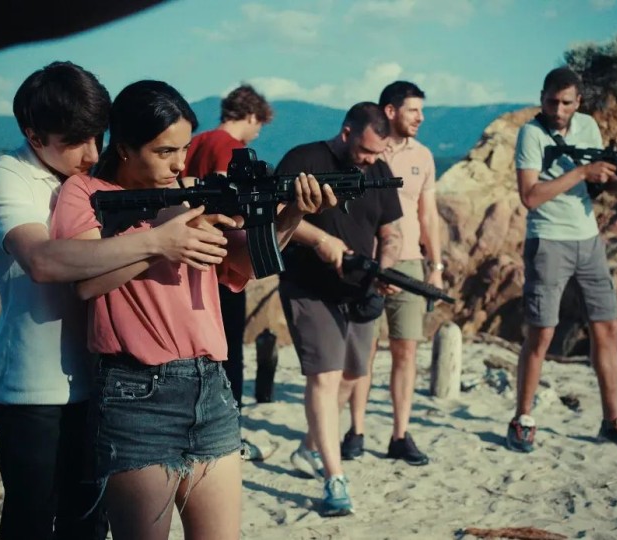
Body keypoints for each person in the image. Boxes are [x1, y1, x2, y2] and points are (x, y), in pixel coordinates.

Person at [49, 79, 335, 539]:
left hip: (211, 388)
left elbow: (248, 264)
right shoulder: (84, 192)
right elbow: (85, 282)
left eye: (183, 149)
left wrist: (292, 214)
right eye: (164, 151)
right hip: (135, 396)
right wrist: (163, 243)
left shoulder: (191, 192)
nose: (180, 163)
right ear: (124, 148)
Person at [0, 62, 231, 540]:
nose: (92, 153)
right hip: (35, 386)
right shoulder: (8, 176)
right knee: (31, 522)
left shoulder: (93, 179)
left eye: (98, 136)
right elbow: (44, 262)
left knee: (89, 525)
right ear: (33, 135)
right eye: (75, 141)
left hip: (108, 382)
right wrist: (158, 241)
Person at [508, 66, 617, 453]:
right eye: (551, 101)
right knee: (541, 333)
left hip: (588, 240)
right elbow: (530, 196)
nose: (558, 110)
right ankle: (522, 418)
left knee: (607, 328)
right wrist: (583, 171)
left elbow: (599, 186)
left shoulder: (587, 126)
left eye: (566, 103)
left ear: (579, 102)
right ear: (541, 98)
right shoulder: (531, 134)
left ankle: (613, 421)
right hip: (547, 240)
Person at [276, 102, 403, 517]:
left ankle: (308, 448)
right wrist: (320, 239)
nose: (369, 160)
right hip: (308, 286)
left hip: (360, 288)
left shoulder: (379, 170)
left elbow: (391, 231)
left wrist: (385, 267)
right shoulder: (304, 159)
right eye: (365, 151)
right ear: (347, 132)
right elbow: (275, 214)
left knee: (352, 376)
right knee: (325, 377)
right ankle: (335, 480)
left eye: (377, 153)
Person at [341, 81, 442, 466]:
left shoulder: (424, 155)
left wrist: (435, 267)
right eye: (413, 110)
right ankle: (356, 430)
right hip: (365, 261)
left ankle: (400, 435)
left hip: (410, 262)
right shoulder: (366, 147)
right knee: (363, 351)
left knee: (407, 350)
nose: (420, 117)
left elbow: (428, 215)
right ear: (390, 111)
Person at [182, 83, 274, 461]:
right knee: (228, 353)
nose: (257, 134)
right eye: (259, 125)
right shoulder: (229, 148)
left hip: (190, 260)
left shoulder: (195, 141)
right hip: (222, 263)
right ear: (250, 116)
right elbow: (231, 204)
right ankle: (229, 433)